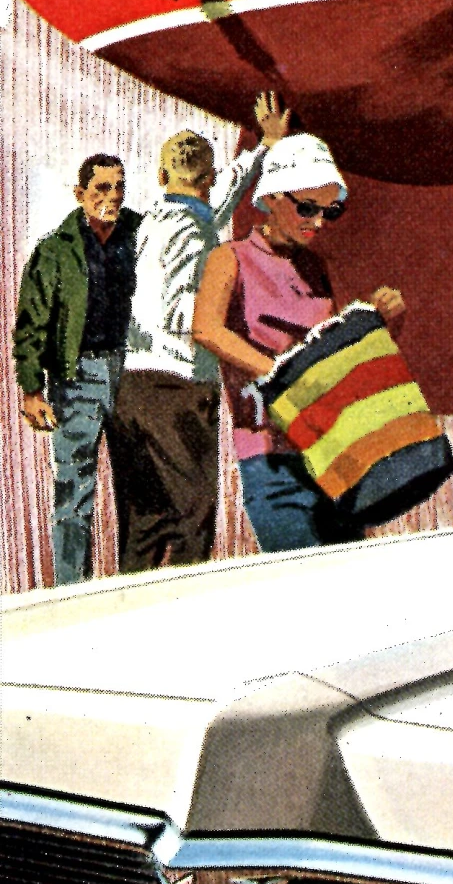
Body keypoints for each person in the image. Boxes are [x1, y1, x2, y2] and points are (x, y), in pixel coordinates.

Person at [192, 133, 406, 553]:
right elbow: (206, 329)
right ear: (270, 198)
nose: (319, 222)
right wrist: (275, 372)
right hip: (270, 458)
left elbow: (334, 357)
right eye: (307, 208)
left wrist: (382, 324)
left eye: (331, 211)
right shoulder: (229, 258)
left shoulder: (315, 268)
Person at [116, 94, 290, 571]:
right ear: (206, 181)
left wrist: (264, 147)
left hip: (132, 386)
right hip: (175, 388)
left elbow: (224, 194)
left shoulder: (157, 222)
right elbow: (180, 314)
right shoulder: (193, 233)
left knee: (145, 519)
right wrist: (231, 312)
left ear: (162, 178)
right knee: (192, 516)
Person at [12, 153, 141, 583]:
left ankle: (135, 590)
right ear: (80, 193)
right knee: (73, 490)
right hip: (77, 377)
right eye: (102, 188)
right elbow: (31, 324)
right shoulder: (54, 250)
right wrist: (31, 390)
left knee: (139, 489)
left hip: (133, 374)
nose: (112, 196)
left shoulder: (140, 234)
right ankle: (71, 593)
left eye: (118, 186)